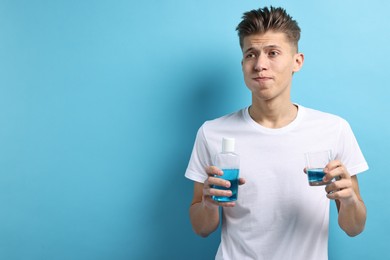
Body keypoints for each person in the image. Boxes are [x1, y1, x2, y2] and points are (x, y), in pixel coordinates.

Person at [184, 6, 369, 260]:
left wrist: (349, 201)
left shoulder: (333, 129)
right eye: (251, 54)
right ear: (242, 64)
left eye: (273, 53)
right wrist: (207, 204)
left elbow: (354, 227)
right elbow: (201, 228)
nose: (260, 65)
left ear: (297, 61)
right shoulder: (212, 132)